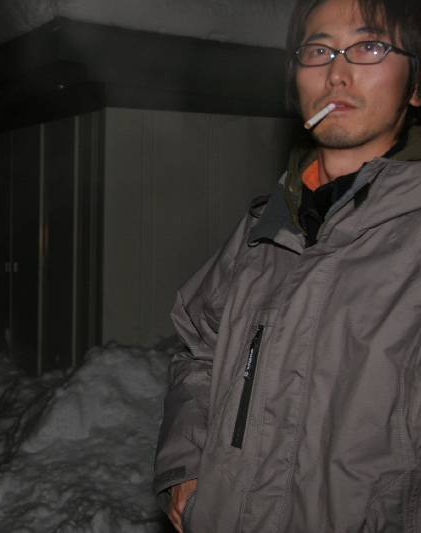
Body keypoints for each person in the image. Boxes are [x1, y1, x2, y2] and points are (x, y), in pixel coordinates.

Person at [153, 0, 421, 531]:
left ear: (416, 86)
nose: (337, 73)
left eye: (370, 46)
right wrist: (188, 464)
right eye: (318, 50)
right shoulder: (266, 227)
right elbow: (199, 351)